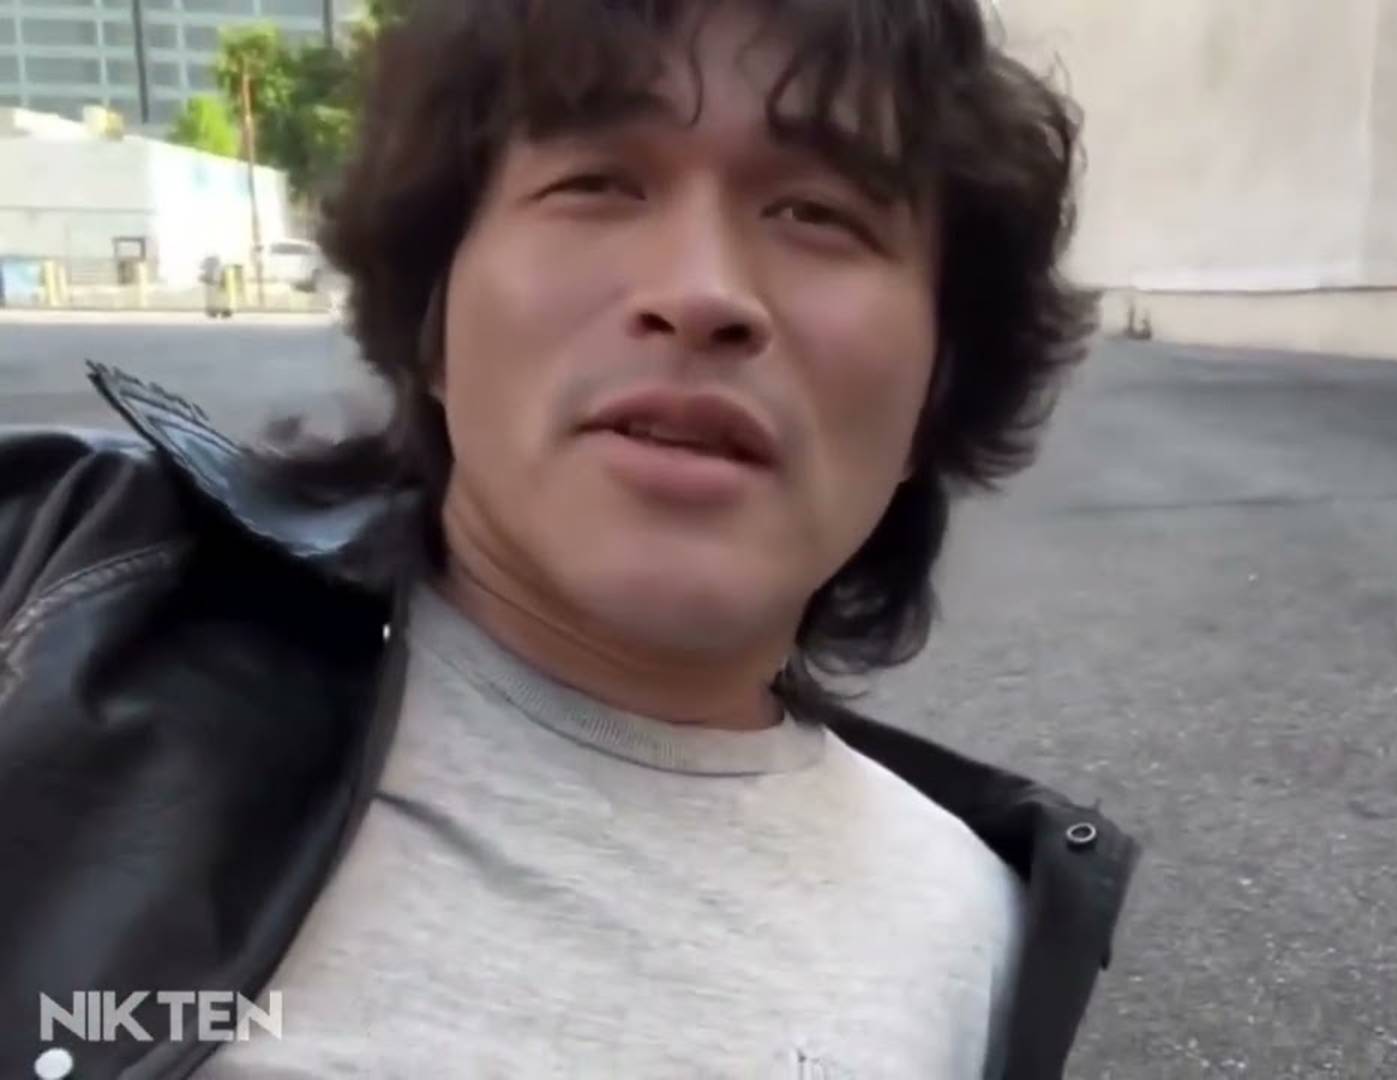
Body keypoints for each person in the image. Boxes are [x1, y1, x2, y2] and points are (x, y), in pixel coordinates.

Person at [0, 1, 1138, 1078]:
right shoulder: (55, 599)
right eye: (597, 183)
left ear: (935, 389)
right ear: (434, 325)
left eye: (818, 214)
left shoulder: (978, 934)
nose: (702, 293)